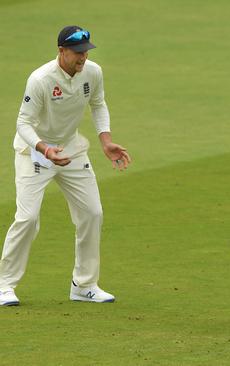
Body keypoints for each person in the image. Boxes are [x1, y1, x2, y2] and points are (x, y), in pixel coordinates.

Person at [0, 26, 131, 306]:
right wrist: (45, 149)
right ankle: (4, 285)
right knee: (28, 218)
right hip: (34, 152)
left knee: (92, 213)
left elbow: (98, 104)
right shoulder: (41, 79)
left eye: (85, 51)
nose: (83, 57)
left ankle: (84, 285)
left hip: (71, 150)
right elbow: (23, 123)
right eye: (77, 52)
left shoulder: (93, 72)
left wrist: (105, 141)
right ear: (61, 51)